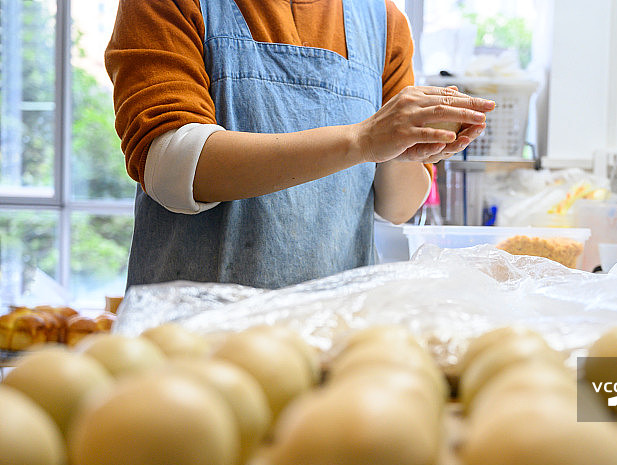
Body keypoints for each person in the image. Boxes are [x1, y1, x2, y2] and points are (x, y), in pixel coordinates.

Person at [105, 0, 494, 290]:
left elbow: (397, 206)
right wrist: (363, 140)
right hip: (195, 343)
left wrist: (410, 147)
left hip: (333, 333)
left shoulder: (383, 21)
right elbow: (173, 169)